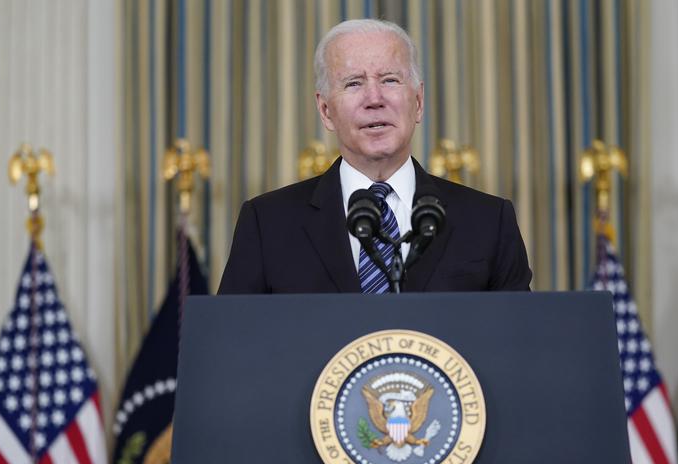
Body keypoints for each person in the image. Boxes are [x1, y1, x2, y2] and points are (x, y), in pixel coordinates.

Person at [218, 19, 531, 294]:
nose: (374, 99)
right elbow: (232, 345)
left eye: (390, 80)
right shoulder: (266, 224)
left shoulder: (489, 221)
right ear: (326, 111)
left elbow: (519, 344)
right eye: (353, 83)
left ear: (419, 102)